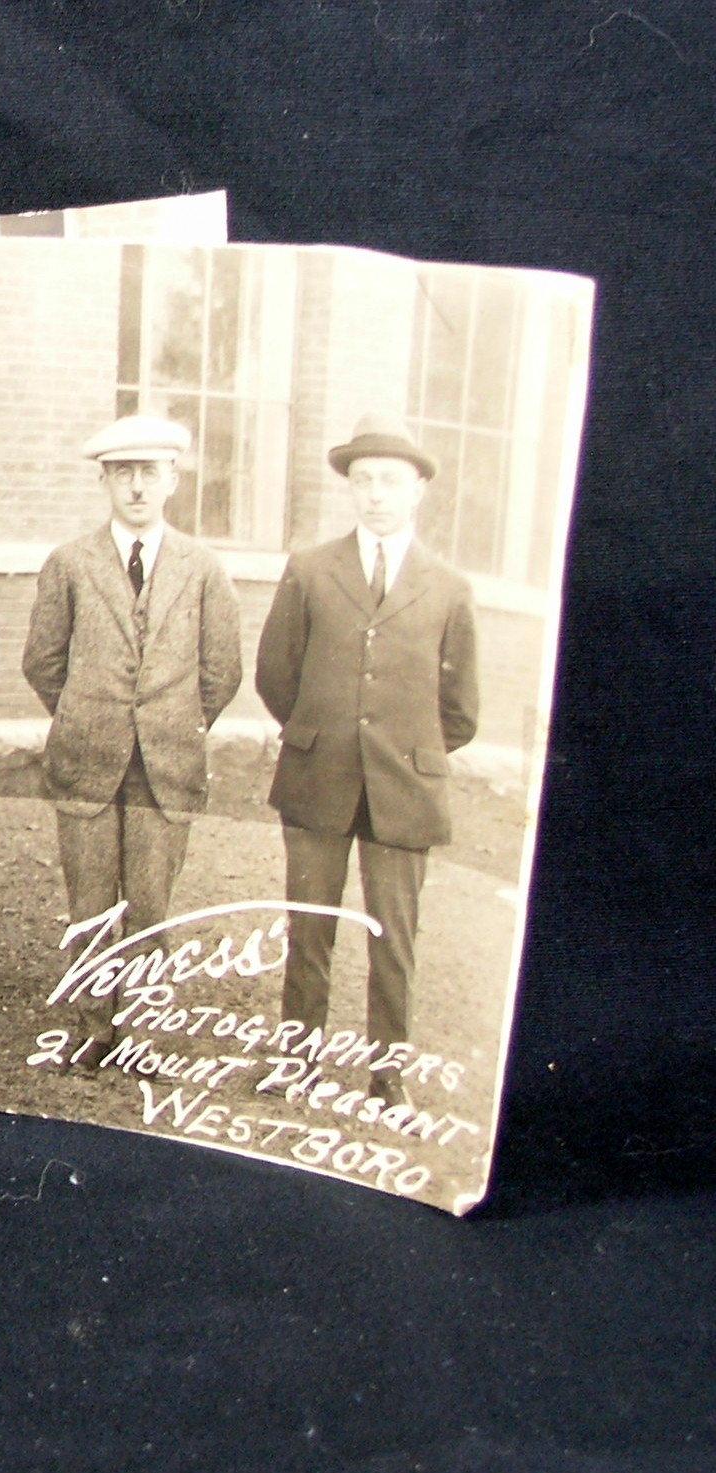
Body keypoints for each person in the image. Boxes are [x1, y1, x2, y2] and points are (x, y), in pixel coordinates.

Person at [256, 414, 480, 1108]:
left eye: (390, 480)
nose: (375, 493)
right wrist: (322, 734)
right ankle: (298, 1061)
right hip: (317, 777)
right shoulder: (309, 569)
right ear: (349, 489)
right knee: (309, 930)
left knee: (393, 941)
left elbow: (460, 708)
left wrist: (402, 752)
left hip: (404, 789)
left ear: (417, 490)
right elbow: (275, 675)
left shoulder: (448, 586)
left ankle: (387, 1078)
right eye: (362, 480)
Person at [23, 416, 245, 1066]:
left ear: (172, 479)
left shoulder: (203, 568)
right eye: (123, 474)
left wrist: (171, 718)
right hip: (87, 759)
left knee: (149, 901)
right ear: (104, 481)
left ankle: (141, 1029)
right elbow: (41, 661)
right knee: (90, 900)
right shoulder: (69, 562)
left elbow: (221, 669)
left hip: (164, 763)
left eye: (149, 473)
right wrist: (87, 713)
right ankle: (95, 1025)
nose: (137, 487)